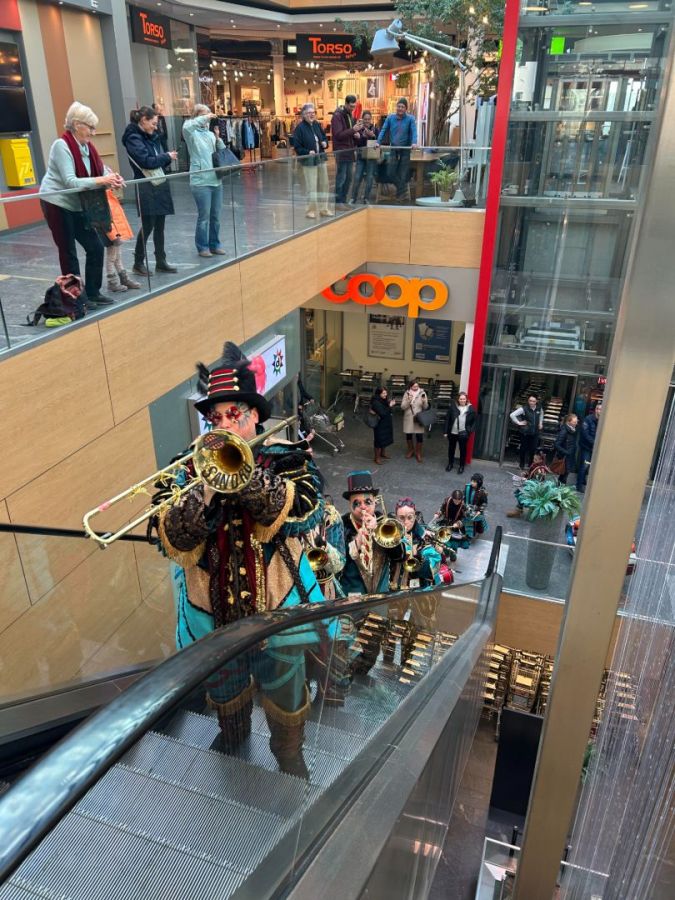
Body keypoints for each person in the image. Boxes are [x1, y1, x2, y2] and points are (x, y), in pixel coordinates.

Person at [154, 341, 331, 777]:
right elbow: (166, 534)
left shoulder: (285, 456)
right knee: (224, 688)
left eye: (233, 414)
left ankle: (289, 754)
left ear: (254, 416)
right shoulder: (187, 467)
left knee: (286, 692)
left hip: (276, 615)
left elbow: (303, 510)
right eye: (215, 418)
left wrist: (242, 474)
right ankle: (233, 736)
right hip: (211, 617)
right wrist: (205, 490)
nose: (224, 424)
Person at [39, 101, 125, 308]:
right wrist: (102, 180)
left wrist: (113, 178)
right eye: (91, 127)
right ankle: (76, 298)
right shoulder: (61, 146)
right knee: (68, 252)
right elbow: (71, 181)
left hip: (78, 204)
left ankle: (93, 293)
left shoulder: (88, 147)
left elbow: (101, 171)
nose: (93, 133)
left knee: (95, 247)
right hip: (57, 202)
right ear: (77, 125)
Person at [339, 470, 403, 676]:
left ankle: (362, 673)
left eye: (367, 502)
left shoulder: (386, 523)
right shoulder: (341, 525)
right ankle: (344, 678)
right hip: (351, 599)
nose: (363, 507)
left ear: (375, 501)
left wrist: (377, 531)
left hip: (378, 599)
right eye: (357, 503)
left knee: (371, 646)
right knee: (346, 645)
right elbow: (337, 562)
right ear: (350, 505)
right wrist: (358, 540)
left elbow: (400, 556)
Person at [122, 106, 178, 276]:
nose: (155, 127)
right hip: (146, 185)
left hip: (157, 182)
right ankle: (138, 262)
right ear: (143, 120)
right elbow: (146, 161)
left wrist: (164, 155)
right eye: (153, 123)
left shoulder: (150, 136)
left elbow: (155, 159)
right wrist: (166, 156)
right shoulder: (133, 138)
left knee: (160, 224)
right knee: (148, 225)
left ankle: (160, 260)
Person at [182, 105, 227, 258]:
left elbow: (221, 150)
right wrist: (206, 116)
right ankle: (202, 246)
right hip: (200, 182)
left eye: (208, 114)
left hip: (216, 180)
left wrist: (218, 138)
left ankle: (215, 244)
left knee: (216, 216)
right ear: (197, 116)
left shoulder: (210, 134)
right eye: (204, 115)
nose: (208, 117)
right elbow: (188, 126)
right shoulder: (190, 132)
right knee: (204, 217)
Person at [291, 103, 333, 219]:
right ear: (303, 115)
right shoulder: (299, 128)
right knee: (311, 186)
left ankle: (324, 209)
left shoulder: (317, 125)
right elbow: (297, 147)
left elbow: (323, 138)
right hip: (308, 162)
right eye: (309, 113)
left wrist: (325, 143)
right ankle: (311, 210)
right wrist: (307, 152)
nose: (312, 115)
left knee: (324, 184)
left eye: (313, 112)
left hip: (320, 159)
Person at [376, 98, 418, 202]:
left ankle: (400, 196)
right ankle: (403, 191)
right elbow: (383, 130)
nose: (400, 108)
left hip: (405, 149)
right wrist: (378, 142)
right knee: (390, 172)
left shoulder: (410, 119)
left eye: (402, 107)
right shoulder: (390, 118)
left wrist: (414, 142)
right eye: (399, 106)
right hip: (394, 148)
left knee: (403, 174)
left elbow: (414, 131)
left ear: (406, 109)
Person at [102, 188, 141, 293]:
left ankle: (124, 279)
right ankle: (112, 282)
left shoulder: (111, 197)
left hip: (116, 234)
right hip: (112, 235)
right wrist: (114, 236)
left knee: (117, 257)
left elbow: (118, 218)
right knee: (111, 258)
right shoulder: (105, 199)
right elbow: (106, 221)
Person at [331, 94, 363, 209]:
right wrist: (353, 130)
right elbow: (338, 135)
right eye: (351, 106)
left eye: (354, 106)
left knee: (348, 178)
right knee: (341, 178)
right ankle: (338, 202)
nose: (352, 108)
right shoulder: (337, 116)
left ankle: (343, 201)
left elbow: (349, 133)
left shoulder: (350, 115)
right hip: (341, 151)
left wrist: (357, 134)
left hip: (349, 151)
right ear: (345, 104)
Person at [507, 449, 553, 517]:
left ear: (541, 460)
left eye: (536, 459)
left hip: (535, 488)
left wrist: (527, 480)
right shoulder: (535, 465)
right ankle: (520, 509)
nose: (534, 461)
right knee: (520, 492)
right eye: (534, 459)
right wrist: (525, 474)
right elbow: (530, 473)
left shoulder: (541, 469)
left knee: (522, 495)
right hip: (529, 484)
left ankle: (519, 510)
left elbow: (538, 481)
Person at [443, 391, 477, 474]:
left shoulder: (470, 408)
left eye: (464, 399)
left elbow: (474, 421)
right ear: (458, 399)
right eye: (461, 399)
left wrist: (469, 431)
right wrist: (445, 431)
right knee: (451, 449)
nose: (462, 400)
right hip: (453, 432)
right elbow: (447, 419)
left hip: (464, 433)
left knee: (463, 450)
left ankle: (461, 466)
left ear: (466, 399)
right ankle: (450, 464)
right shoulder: (453, 407)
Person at [351, 111, 378, 204]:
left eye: (368, 119)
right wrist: (362, 137)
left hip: (371, 157)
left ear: (371, 119)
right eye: (365, 119)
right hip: (361, 156)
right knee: (357, 177)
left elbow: (379, 142)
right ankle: (353, 198)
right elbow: (356, 143)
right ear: (362, 119)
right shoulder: (359, 129)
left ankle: (366, 198)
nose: (367, 121)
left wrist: (373, 136)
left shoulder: (375, 129)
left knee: (369, 178)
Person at [510, 394, 544, 469]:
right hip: (525, 432)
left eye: (533, 401)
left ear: (536, 401)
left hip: (535, 432)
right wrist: (518, 422)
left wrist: (540, 423)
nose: (531, 402)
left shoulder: (539, 408)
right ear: (528, 401)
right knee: (523, 448)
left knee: (533, 449)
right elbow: (512, 415)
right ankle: (521, 464)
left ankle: (530, 464)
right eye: (530, 401)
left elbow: (541, 414)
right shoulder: (524, 408)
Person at [401, 379, 430, 463]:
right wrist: (408, 400)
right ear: (410, 386)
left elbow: (426, 407)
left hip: (418, 417)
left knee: (419, 436)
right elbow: (402, 407)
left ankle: (418, 453)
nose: (416, 388)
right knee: (408, 435)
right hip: (409, 417)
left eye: (417, 386)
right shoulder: (407, 393)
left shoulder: (423, 393)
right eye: (414, 386)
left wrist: (424, 402)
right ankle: (410, 450)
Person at [577, 403, 602, 492]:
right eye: (599, 409)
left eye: (602, 409)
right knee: (584, 465)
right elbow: (585, 434)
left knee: (590, 465)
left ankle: (583, 479)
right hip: (586, 447)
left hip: (595, 447)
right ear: (596, 410)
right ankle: (579, 485)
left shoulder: (603, 420)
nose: (600, 411)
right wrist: (595, 442)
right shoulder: (588, 419)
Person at [370, 385, 396, 465]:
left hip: (386, 422)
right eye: (383, 393)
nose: (385, 394)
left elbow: (388, 410)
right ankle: (377, 458)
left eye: (386, 393)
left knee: (385, 439)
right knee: (378, 440)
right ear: (379, 394)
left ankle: (382, 453)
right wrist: (390, 406)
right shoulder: (375, 402)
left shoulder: (384, 400)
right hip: (379, 424)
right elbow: (383, 413)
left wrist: (390, 405)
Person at [553, 413, 579, 485]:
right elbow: (557, 444)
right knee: (564, 476)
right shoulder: (564, 431)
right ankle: (560, 489)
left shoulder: (572, 430)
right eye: (574, 422)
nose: (576, 423)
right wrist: (566, 452)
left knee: (565, 475)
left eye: (576, 421)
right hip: (565, 457)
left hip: (569, 456)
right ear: (568, 422)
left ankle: (560, 488)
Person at [463, 473, 489, 539]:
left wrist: (480, 511)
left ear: (479, 483)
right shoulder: (468, 487)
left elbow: (484, 503)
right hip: (467, 508)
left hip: (476, 510)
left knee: (475, 524)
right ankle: (467, 533)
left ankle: (471, 534)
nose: (472, 483)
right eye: (472, 481)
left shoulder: (482, 492)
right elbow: (463, 495)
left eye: (474, 482)